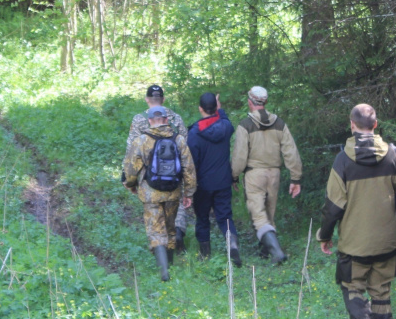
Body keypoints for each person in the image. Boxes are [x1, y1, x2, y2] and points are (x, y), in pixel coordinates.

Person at [316, 104, 396, 319]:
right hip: (387, 239)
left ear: (352, 125)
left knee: (351, 285)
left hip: (354, 242)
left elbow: (333, 206)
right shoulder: (393, 154)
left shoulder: (343, 160)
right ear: (375, 124)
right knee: (381, 290)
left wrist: (325, 235)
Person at [123, 105, 196, 282]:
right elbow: (189, 169)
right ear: (166, 119)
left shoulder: (141, 140)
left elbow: (131, 168)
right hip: (173, 192)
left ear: (149, 121)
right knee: (170, 228)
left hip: (150, 193)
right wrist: (189, 193)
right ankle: (170, 263)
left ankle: (164, 271)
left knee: (156, 230)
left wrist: (130, 184)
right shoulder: (178, 140)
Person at [231, 86, 302, 264]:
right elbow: (291, 152)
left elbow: (240, 156)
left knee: (259, 215)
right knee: (269, 213)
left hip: (254, 174)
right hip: (274, 174)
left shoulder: (245, 125)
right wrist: (296, 177)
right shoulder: (280, 124)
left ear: (249, 101)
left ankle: (277, 252)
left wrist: (234, 175)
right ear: (266, 102)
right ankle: (265, 251)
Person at [124, 85, 190, 252]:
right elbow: (185, 146)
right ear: (164, 99)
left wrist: (128, 178)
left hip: (149, 178)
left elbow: (131, 150)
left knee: (154, 209)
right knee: (176, 207)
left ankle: (159, 246)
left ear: (147, 99)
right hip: (174, 176)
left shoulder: (139, 119)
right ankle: (177, 232)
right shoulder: (176, 118)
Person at [187, 93, 241, 267]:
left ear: (200, 109)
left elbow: (192, 162)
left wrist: (189, 186)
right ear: (216, 108)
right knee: (225, 216)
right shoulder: (226, 127)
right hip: (223, 181)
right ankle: (232, 243)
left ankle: (205, 255)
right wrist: (220, 108)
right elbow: (224, 120)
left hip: (203, 184)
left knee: (202, 217)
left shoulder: (194, 133)